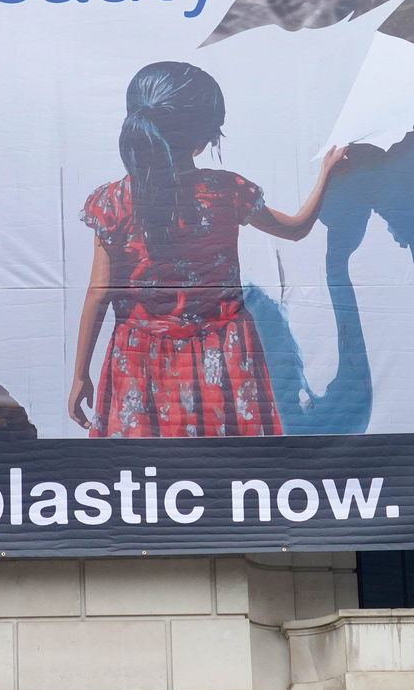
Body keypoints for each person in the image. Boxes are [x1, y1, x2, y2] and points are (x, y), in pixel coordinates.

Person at [67, 61, 353, 437]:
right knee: (227, 473)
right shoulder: (227, 191)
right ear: (203, 137)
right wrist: (326, 173)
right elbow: (297, 229)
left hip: (138, 358)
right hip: (223, 354)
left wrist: (80, 376)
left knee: (145, 478)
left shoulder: (112, 201)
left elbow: (99, 294)